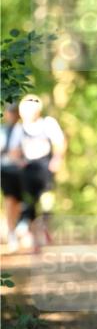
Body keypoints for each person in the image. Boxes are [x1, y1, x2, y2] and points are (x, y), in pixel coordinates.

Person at [11, 94, 66, 250]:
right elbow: (14, 150)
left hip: (45, 166)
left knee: (47, 200)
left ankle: (45, 228)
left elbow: (60, 142)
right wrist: (19, 161)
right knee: (30, 204)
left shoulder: (48, 124)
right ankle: (35, 238)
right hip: (28, 168)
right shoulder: (19, 128)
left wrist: (57, 159)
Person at [1, 103, 23, 251]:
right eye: (10, 112)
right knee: (9, 199)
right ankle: (11, 232)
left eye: (14, 113)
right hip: (5, 169)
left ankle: (16, 228)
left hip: (20, 171)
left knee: (18, 202)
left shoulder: (23, 130)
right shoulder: (2, 130)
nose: (12, 115)